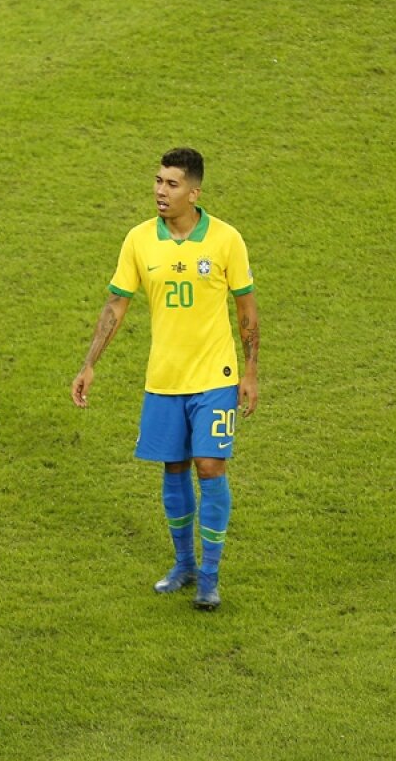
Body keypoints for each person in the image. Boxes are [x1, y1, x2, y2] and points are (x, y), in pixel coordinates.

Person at [71, 148, 259, 611]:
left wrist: (250, 371)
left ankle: (209, 578)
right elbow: (116, 305)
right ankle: (184, 565)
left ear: (194, 192)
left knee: (210, 468)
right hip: (163, 380)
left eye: (171, 184)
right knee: (173, 469)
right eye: (158, 181)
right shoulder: (139, 240)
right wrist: (90, 362)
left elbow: (246, 310)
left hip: (215, 376)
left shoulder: (226, 239)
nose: (160, 190)